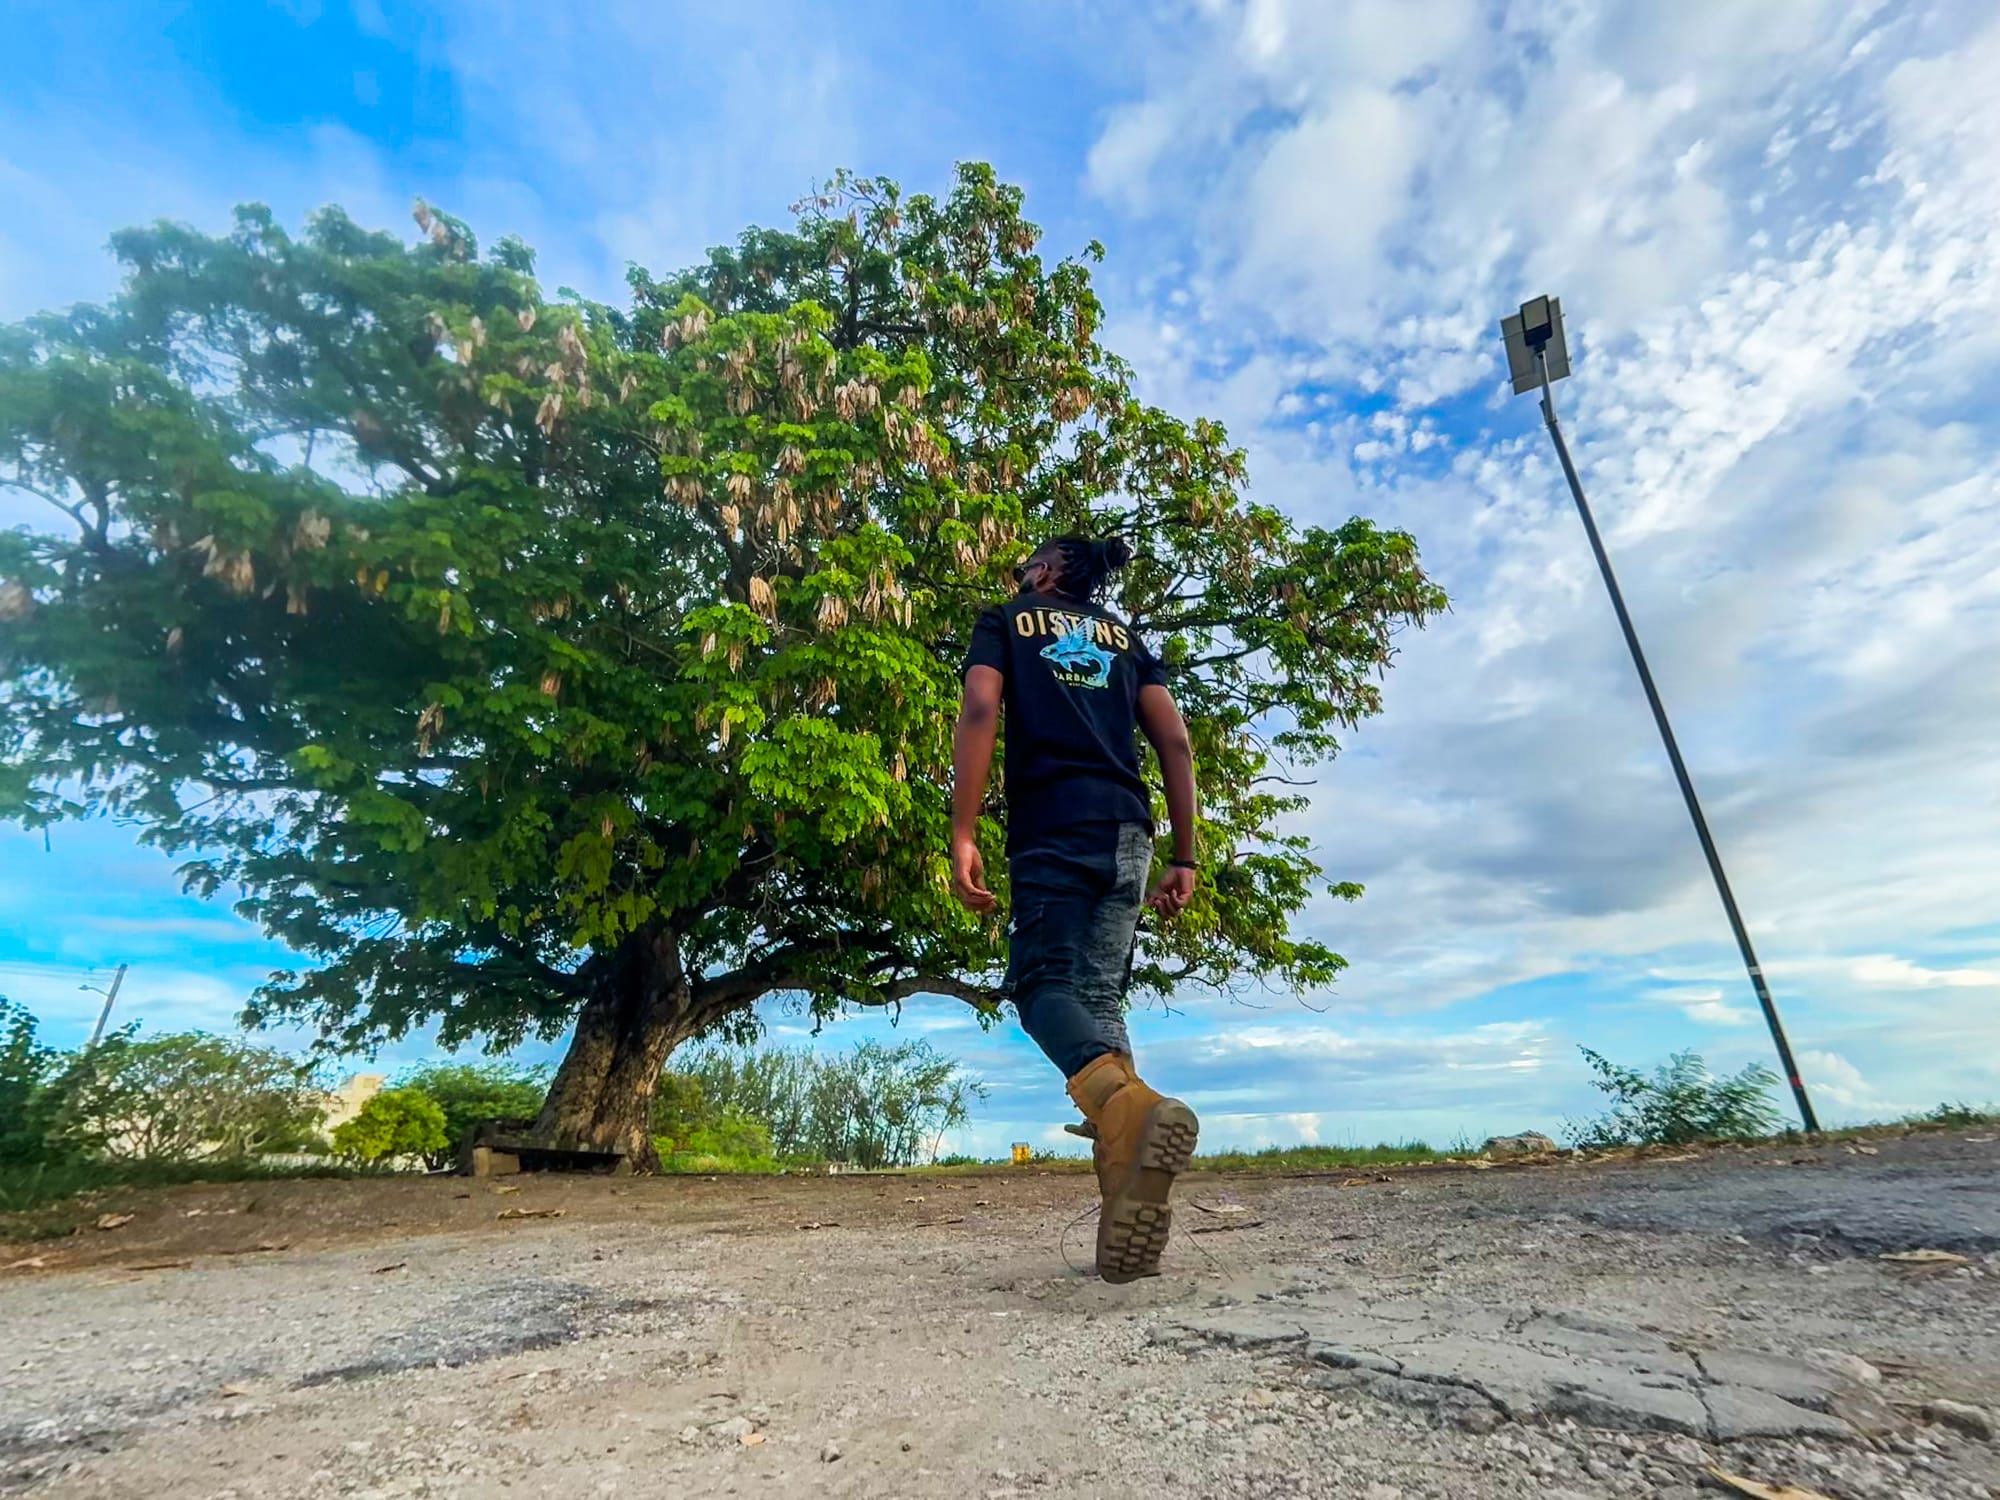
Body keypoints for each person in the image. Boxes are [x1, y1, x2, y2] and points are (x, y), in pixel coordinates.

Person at [951, 534, 1201, 1282]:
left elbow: (979, 705)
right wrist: (1185, 856)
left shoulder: (1006, 619)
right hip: (1129, 830)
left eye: (1029, 561)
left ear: (1051, 571)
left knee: (1040, 987)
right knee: (1098, 998)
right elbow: (1176, 743)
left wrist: (962, 829)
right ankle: (1126, 1187)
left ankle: (1126, 1110)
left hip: (1053, 825)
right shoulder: (1128, 641)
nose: (1019, 570)